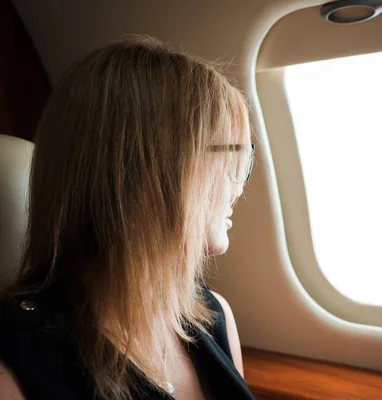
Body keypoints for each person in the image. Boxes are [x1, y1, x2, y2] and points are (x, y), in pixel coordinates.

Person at [0, 36, 255, 400]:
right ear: (145, 172)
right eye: (231, 158)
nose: (239, 187)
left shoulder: (215, 316)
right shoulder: (13, 365)